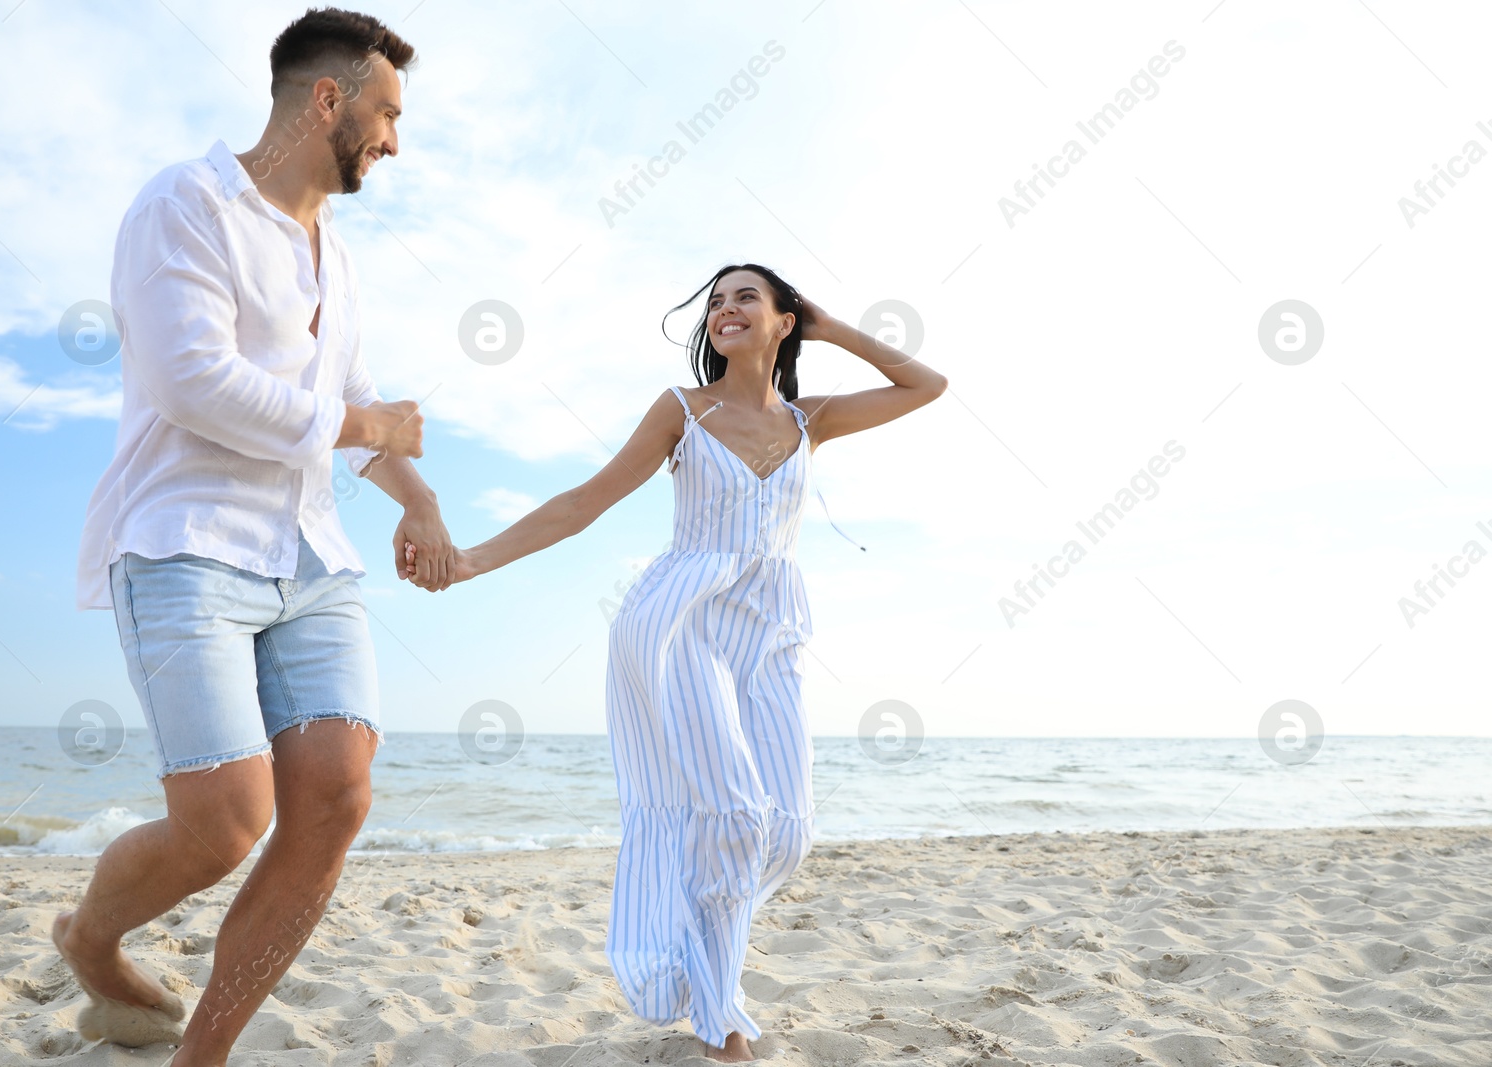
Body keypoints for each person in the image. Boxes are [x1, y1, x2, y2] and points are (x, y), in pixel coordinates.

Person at [412, 263, 947, 1061]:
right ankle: (722, 1018)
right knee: (733, 815)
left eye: (746, 298)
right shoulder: (683, 411)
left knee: (787, 829)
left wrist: (831, 325)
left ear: (782, 320)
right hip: (680, 625)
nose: (725, 309)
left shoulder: (811, 421)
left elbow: (926, 384)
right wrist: (470, 561)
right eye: (716, 301)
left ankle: (696, 948)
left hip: (771, 633)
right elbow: (583, 502)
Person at [59, 10, 452, 1064]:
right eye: (386, 114)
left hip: (313, 559)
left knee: (334, 796)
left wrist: (415, 497)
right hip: (185, 543)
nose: (393, 141)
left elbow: (352, 397)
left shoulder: (342, 260)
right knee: (225, 822)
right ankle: (89, 934)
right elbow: (195, 383)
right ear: (327, 100)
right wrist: (366, 427)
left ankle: (205, 1052)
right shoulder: (184, 203)